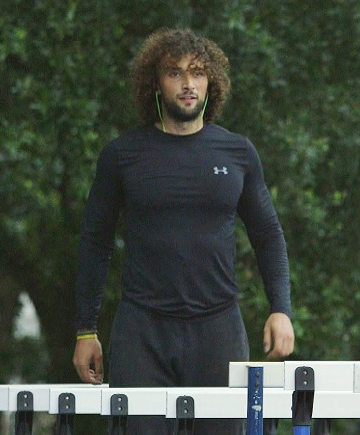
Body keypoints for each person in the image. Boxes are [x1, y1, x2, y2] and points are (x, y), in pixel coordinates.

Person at [72, 27, 294, 434]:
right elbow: (94, 242)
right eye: (175, 73)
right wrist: (86, 329)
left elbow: (268, 234)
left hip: (217, 330)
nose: (187, 84)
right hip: (142, 332)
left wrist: (280, 308)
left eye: (197, 73)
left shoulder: (238, 153)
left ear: (212, 82)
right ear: (155, 83)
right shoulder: (122, 156)